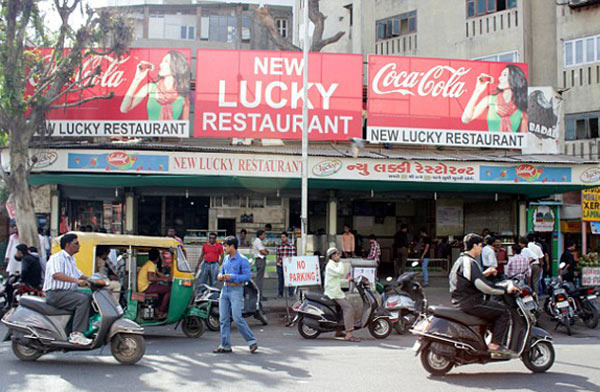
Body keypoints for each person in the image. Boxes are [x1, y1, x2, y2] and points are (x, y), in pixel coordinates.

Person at [449, 233, 520, 354]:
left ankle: (486, 339)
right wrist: (505, 290)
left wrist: (485, 274)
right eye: (481, 245)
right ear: (475, 245)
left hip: (462, 300)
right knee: (504, 312)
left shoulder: (461, 260)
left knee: (493, 311)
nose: (482, 249)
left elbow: (470, 279)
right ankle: (495, 345)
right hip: (471, 302)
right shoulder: (469, 262)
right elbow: (485, 287)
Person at [43, 233, 93, 345]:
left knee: (90, 297)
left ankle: (76, 329)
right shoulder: (57, 258)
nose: (79, 246)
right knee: (82, 300)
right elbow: (57, 274)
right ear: (67, 245)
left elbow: (79, 274)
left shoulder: (71, 260)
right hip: (56, 294)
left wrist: (94, 280)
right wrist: (76, 281)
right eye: (76, 243)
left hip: (67, 293)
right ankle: (77, 334)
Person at [213, 236, 258, 354]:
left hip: (236, 290)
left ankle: (252, 341)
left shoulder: (243, 260)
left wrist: (232, 277)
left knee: (237, 318)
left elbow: (247, 277)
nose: (223, 248)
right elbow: (221, 272)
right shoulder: (226, 259)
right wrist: (220, 276)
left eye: (225, 246)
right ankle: (225, 345)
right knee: (223, 319)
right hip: (225, 289)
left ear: (232, 246)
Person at [120, 50, 190, 121]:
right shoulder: (150, 88)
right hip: (150, 131)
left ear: (176, 66)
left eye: (166, 61)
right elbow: (124, 109)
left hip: (171, 131)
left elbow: (184, 125)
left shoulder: (183, 97)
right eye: (162, 61)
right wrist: (137, 79)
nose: (161, 64)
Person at [462, 64, 529, 133]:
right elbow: (465, 119)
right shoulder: (490, 100)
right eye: (501, 75)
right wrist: (477, 91)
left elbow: (524, 139)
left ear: (514, 79)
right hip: (489, 142)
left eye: (504, 75)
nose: (500, 78)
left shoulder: (522, 111)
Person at [324, 247, 359, 342]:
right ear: (333, 256)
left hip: (336, 291)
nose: (339, 256)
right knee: (348, 308)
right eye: (337, 254)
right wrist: (340, 262)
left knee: (340, 311)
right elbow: (340, 272)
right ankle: (348, 334)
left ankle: (338, 331)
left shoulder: (333, 265)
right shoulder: (331, 265)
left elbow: (337, 280)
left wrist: (348, 280)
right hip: (333, 293)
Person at [138, 248, 170, 319]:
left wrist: (167, 278)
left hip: (145, 286)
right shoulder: (151, 265)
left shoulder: (150, 263)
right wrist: (163, 279)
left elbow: (158, 274)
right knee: (168, 290)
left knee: (162, 289)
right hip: (145, 287)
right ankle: (161, 312)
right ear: (158, 258)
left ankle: (158, 309)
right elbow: (150, 278)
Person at [276, 231, 296, 298]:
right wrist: (278, 262)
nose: (282, 239)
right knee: (280, 280)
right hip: (280, 265)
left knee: (290, 280)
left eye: (284, 237)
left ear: (287, 237)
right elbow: (278, 255)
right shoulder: (279, 246)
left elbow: (293, 256)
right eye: (281, 237)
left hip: (288, 266)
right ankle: (280, 294)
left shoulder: (291, 246)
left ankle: (291, 294)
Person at [253, 230, 269, 300]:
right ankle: (259, 295)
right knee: (259, 279)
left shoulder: (258, 242)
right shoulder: (258, 242)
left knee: (260, 278)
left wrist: (266, 251)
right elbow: (263, 251)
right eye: (263, 235)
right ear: (260, 235)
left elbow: (265, 249)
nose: (264, 236)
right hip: (260, 260)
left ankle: (259, 294)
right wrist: (266, 253)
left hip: (259, 260)